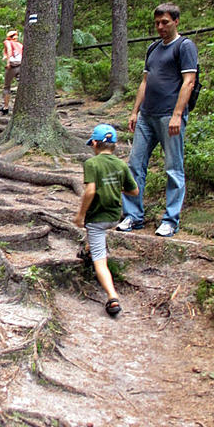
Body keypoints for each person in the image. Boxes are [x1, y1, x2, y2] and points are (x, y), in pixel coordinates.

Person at [117, 3, 198, 238]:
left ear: (176, 21)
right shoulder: (153, 48)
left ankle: (170, 220)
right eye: (157, 23)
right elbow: (145, 81)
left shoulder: (184, 47)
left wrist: (177, 114)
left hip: (169, 117)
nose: (160, 27)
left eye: (165, 22)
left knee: (173, 168)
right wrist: (135, 111)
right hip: (147, 116)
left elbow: (189, 82)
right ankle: (133, 216)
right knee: (135, 165)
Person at [74, 124, 139, 317]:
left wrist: (80, 215)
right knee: (95, 239)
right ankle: (87, 250)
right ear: (114, 145)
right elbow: (134, 191)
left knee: (100, 261)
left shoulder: (92, 164)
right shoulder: (121, 165)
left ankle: (112, 297)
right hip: (114, 216)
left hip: (97, 219)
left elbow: (91, 191)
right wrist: (116, 187)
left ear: (94, 143)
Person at [1, 29, 23, 114]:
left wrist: (8, 62)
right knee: (21, 85)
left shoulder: (7, 42)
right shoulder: (20, 45)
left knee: (7, 87)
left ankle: (6, 107)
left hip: (12, 66)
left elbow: (9, 50)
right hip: (21, 66)